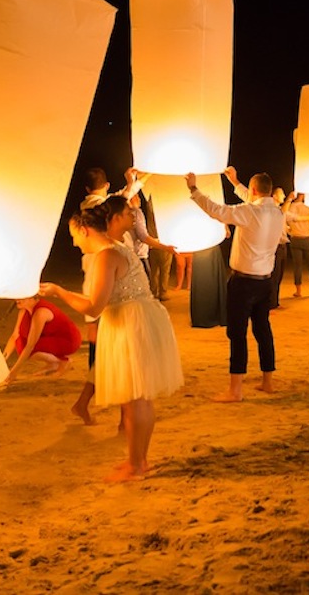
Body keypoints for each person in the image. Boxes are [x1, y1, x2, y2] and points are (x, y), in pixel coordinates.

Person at [40, 205, 184, 480]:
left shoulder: (107, 255)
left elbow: (94, 307)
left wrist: (59, 292)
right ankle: (139, 459)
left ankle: (136, 465)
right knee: (141, 398)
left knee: (134, 400)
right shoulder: (117, 247)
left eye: (74, 235)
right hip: (139, 318)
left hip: (131, 323)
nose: (73, 241)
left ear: (84, 230)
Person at [187, 167, 284, 402]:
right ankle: (267, 382)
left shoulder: (249, 212)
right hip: (265, 282)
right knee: (263, 331)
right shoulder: (278, 212)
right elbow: (252, 202)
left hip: (243, 282)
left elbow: (217, 211)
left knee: (237, 334)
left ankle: (235, 390)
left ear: (253, 190)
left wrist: (193, 189)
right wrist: (236, 183)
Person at [1, 295, 82, 384]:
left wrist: (14, 372)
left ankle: (62, 362)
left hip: (68, 340)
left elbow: (30, 345)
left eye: (21, 296)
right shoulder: (23, 311)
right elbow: (15, 336)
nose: (16, 299)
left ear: (31, 297)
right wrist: (2, 360)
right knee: (20, 343)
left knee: (28, 349)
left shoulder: (41, 312)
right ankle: (53, 364)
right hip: (50, 337)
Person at [285, 192, 309, 298]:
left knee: (297, 266)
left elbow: (286, 223)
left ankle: (298, 291)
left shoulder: (289, 207)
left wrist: (290, 230)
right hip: (307, 238)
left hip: (295, 238)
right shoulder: (308, 208)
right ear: (303, 196)